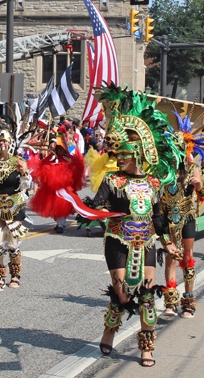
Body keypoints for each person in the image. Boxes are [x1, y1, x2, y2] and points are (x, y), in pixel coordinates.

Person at [94, 86, 181, 367]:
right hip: (117, 241)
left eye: (123, 155)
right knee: (122, 292)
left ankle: (147, 346)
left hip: (146, 243)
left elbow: (158, 218)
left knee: (145, 294)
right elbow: (96, 207)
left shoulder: (153, 183)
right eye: (116, 154)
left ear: (138, 155)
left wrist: (167, 242)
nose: (118, 159)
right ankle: (110, 330)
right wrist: (102, 213)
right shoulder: (111, 181)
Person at [161, 111, 204, 318]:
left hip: (187, 218)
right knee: (171, 258)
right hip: (169, 219)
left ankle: (188, 301)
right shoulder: (164, 168)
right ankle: (170, 302)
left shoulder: (193, 166)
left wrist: (199, 185)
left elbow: (203, 195)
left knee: (187, 260)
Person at [0, 130, 31, 291]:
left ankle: (15, 275)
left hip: (15, 205)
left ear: (11, 144)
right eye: (0, 141)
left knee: (13, 243)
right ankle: (0, 278)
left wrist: (24, 171)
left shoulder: (19, 161)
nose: (2, 144)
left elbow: (26, 184)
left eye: (6, 141)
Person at [28, 125, 86, 233]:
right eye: (58, 149)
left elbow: (78, 168)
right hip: (52, 188)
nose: (59, 151)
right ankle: (59, 222)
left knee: (62, 206)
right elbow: (42, 166)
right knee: (53, 208)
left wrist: (70, 162)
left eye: (61, 149)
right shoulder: (51, 158)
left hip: (64, 187)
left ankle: (61, 224)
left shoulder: (68, 159)